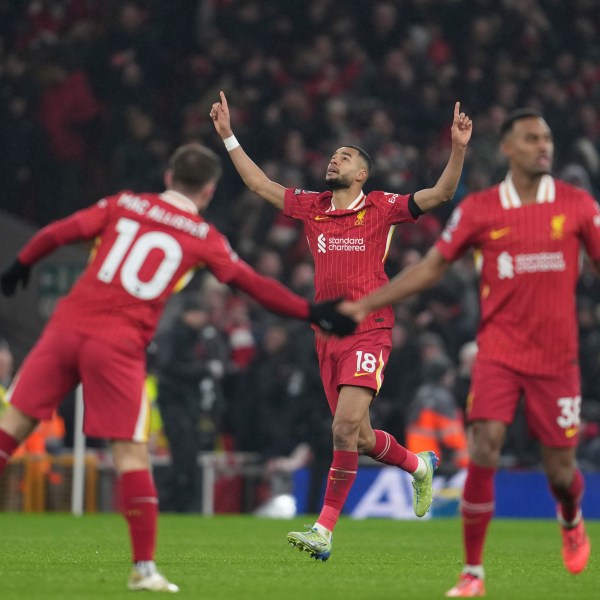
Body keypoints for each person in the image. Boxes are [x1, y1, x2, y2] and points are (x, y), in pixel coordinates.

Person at [0, 142, 354, 593]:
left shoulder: (123, 203)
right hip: (119, 342)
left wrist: (20, 265)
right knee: (130, 455)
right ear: (208, 191)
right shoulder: (203, 236)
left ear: (168, 177)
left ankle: (145, 569)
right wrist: (311, 311)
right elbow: (253, 285)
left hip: (66, 326)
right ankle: (144, 569)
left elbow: (57, 232)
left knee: (10, 429)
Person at [340, 109, 598, 596]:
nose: (543, 145)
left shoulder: (579, 205)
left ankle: (570, 517)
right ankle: (473, 573)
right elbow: (434, 266)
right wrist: (369, 302)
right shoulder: (480, 209)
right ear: (508, 148)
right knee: (483, 450)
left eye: (547, 137)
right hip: (498, 354)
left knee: (562, 473)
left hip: (557, 361)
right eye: (531, 138)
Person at [210, 91, 473, 560]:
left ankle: (324, 531)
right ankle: (419, 467)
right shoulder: (311, 207)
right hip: (327, 336)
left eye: (345, 157)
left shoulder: (381, 206)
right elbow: (260, 185)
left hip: (370, 328)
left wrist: (457, 149)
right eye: (334, 155)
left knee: (343, 426)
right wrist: (228, 135)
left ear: (362, 174)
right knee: (362, 437)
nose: (335, 160)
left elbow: (441, 194)